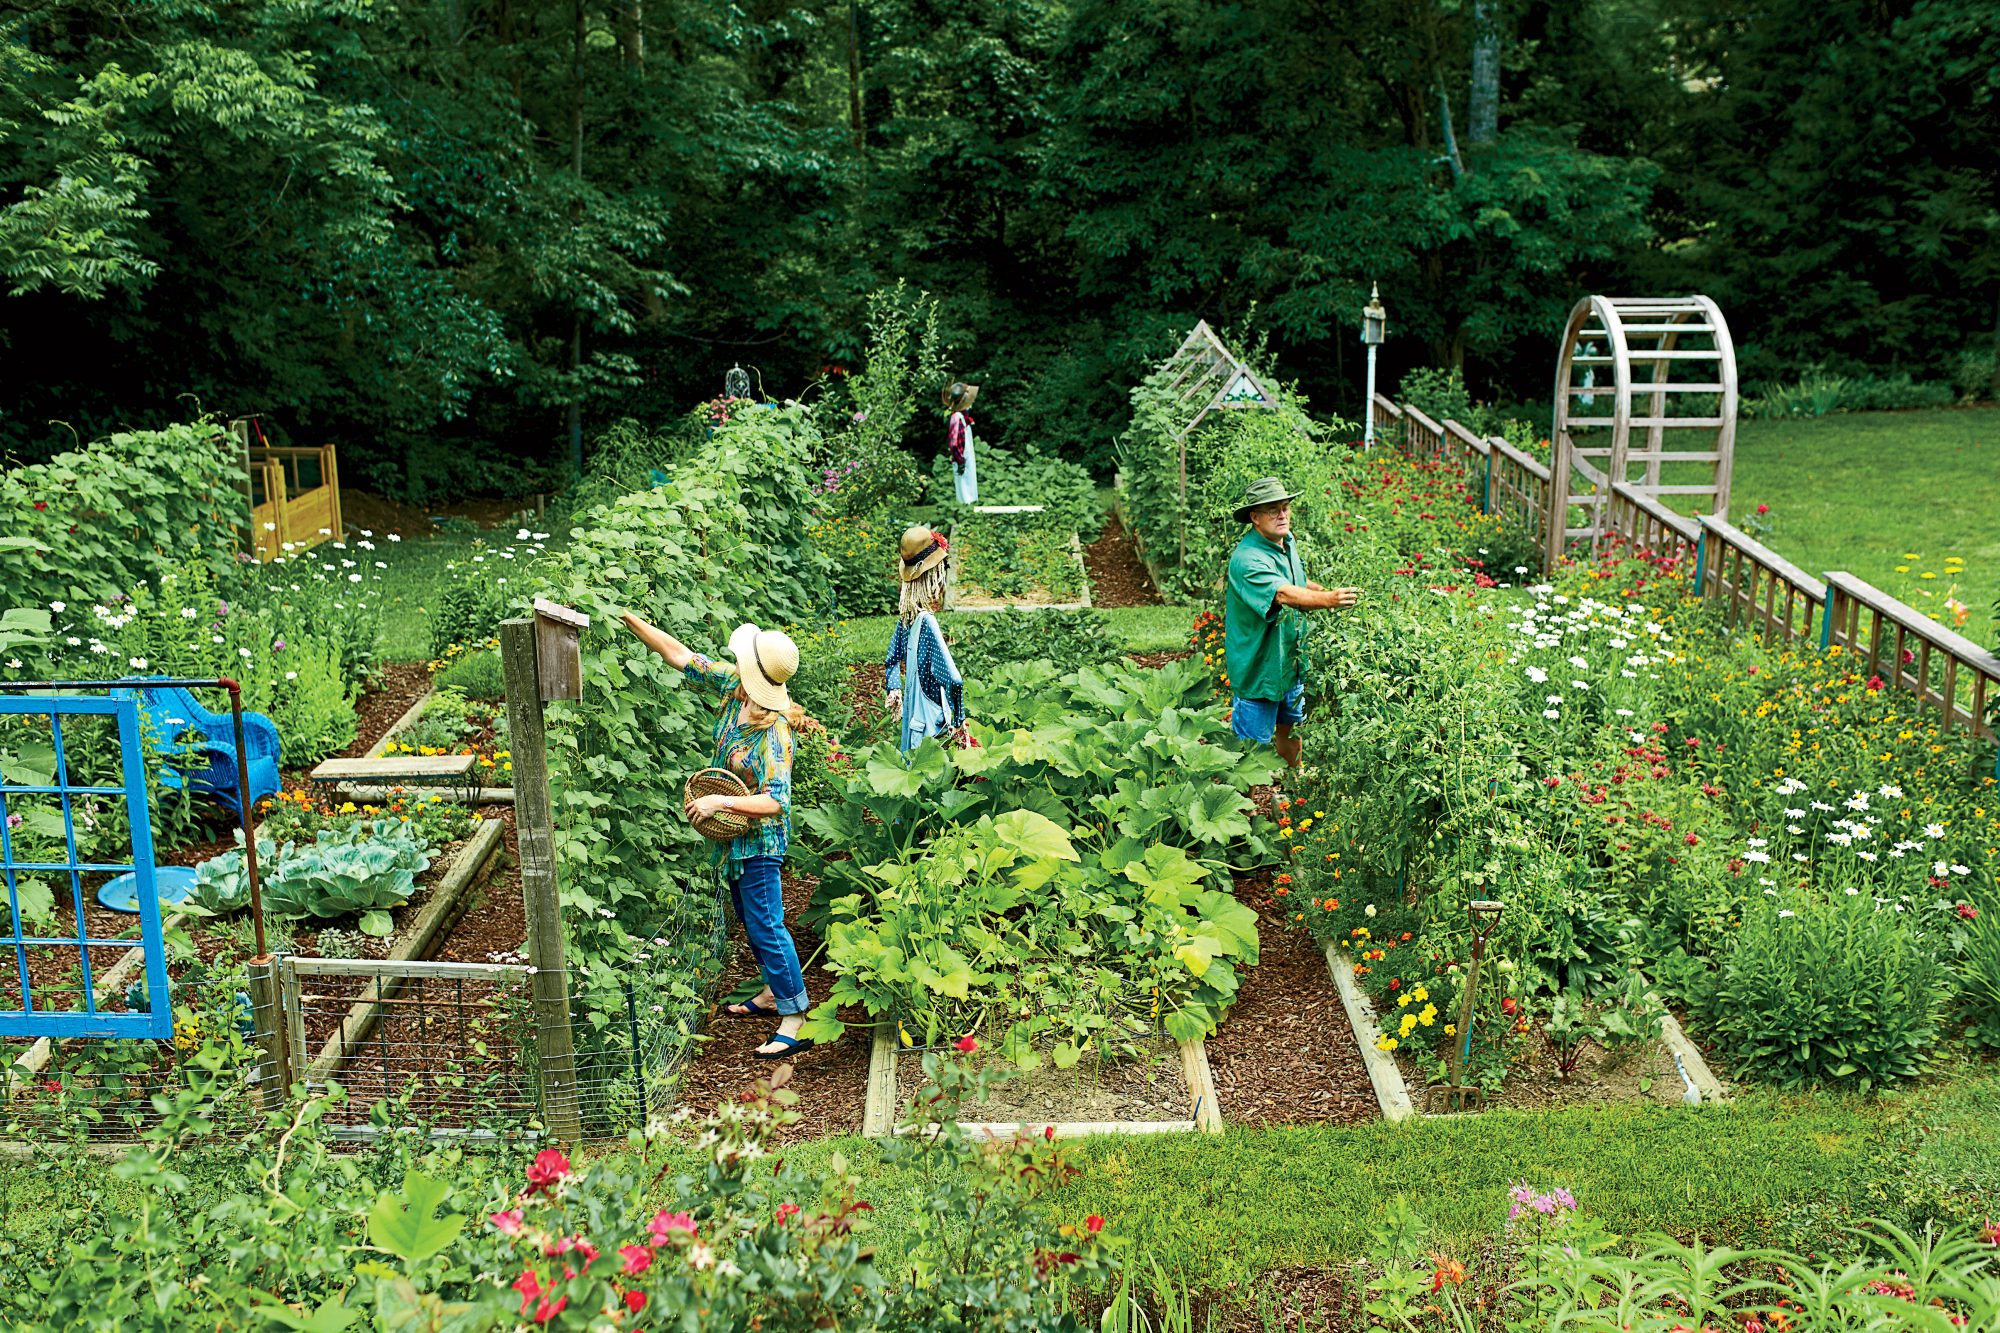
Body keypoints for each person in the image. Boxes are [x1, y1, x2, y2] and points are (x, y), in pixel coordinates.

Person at [618, 611, 814, 1059]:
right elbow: (679, 655)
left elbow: (776, 802)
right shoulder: (733, 687)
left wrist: (718, 803)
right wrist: (632, 620)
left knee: (767, 925)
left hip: (761, 841)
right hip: (734, 837)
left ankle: (795, 1017)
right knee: (750, 920)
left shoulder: (776, 736)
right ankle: (771, 992)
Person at [1223, 477, 1359, 770]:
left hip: (1289, 662)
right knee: (1250, 754)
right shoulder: (1247, 559)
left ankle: (1296, 791)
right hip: (1259, 670)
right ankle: (1241, 811)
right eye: (1273, 510)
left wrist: (1319, 591)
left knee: (1291, 730)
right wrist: (1330, 600)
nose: (1282, 515)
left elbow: (1293, 580)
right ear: (1254, 517)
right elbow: (1282, 592)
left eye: (1285, 507)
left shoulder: (1286, 542)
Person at [883, 526, 965, 751]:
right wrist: (959, 721)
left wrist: (895, 690)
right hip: (931, 729)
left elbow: (891, 659)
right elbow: (954, 680)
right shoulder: (927, 623)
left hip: (913, 718)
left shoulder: (907, 619)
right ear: (933, 575)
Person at [943, 381, 979, 505]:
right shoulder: (957, 417)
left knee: (970, 490)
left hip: (966, 459)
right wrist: (960, 461)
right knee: (965, 493)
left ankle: (969, 515)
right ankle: (965, 517)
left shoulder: (963, 417)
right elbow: (954, 443)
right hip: (962, 460)